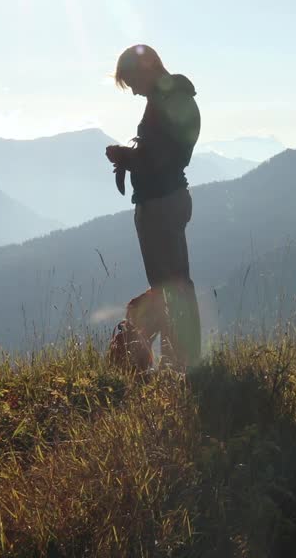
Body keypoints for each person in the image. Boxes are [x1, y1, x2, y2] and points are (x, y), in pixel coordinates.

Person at [105, 44, 202, 369]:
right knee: (175, 284)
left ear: (144, 71)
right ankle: (178, 360)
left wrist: (126, 156)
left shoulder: (163, 104)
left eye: (131, 82)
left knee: (169, 288)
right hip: (173, 196)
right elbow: (172, 152)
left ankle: (177, 364)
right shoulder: (177, 98)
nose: (132, 91)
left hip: (159, 203)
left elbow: (159, 158)